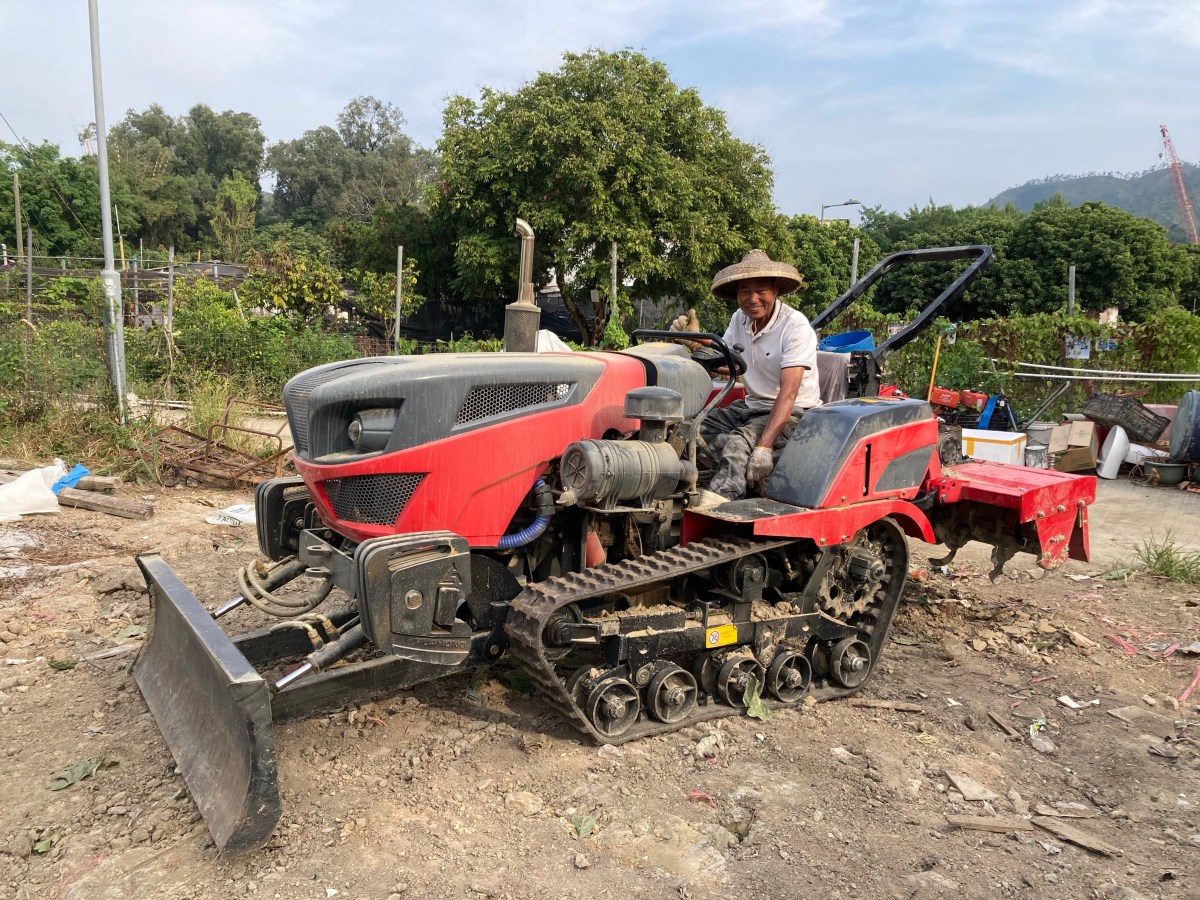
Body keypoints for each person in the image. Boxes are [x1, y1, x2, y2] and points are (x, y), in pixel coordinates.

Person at [682, 249, 822, 500]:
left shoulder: (795, 326)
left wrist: (764, 447)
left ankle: (722, 504)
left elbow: (788, 395)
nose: (752, 299)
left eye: (760, 291)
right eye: (744, 292)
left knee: (737, 443)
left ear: (775, 290)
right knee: (689, 429)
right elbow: (731, 364)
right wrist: (696, 342)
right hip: (751, 407)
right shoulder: (740, 319)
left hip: (795, 413)